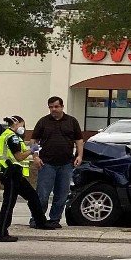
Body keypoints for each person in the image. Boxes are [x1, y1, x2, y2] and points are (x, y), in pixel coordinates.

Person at [0, 115, 51, 242]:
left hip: (15, 174)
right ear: (17, 124)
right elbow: (19, 157)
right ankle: (1, 233)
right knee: (9, 203)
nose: (24, 129)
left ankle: (41, 222)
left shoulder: (9, 135)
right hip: (11, 173)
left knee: (32, 196)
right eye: (23, 125)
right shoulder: (12, 137)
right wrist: (32, 150)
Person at [31, 96, 83, 228]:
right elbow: (34, 140)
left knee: (62, 195)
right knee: (42, 195)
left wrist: (79, 155)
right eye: (51, 107)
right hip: (46, 164)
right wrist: (35, 156)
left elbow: (79, 141)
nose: (53, 109)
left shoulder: (72, 121)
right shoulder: (43, 122)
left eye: (56, 106)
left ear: (62, 106)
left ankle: (54, 219)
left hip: (66, 164)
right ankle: (36, 219)